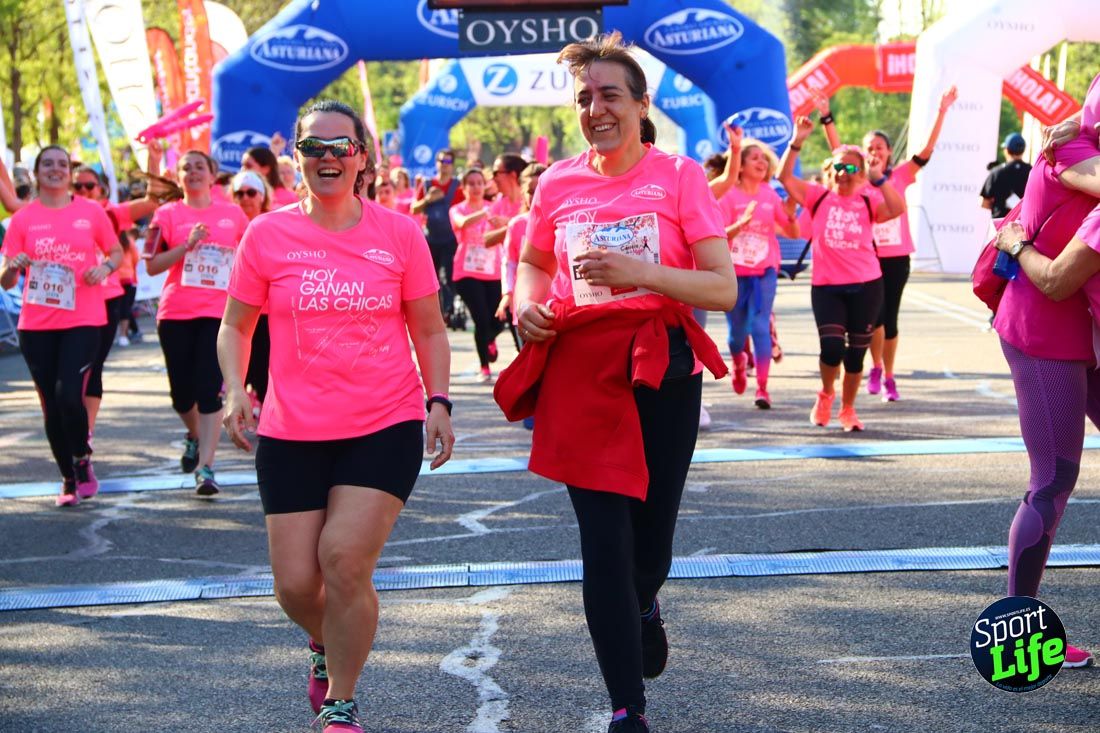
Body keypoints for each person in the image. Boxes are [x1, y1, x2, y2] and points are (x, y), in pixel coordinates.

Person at [500, 34, 735, 733]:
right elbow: (533, 267)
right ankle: (626, 706)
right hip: (580, 370)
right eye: (584, 98)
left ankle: (645, 603)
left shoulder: (680, 176)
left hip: (660, 361)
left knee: (649, 544)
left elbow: (721, 286)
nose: (595, 109)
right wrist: (527, 309)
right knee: (603, 544)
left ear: (639, 105)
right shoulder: (558, 183)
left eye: (609, 95)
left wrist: (644, 275)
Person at [218, 99, 454, 732]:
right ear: (297, 157)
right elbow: (236, 326)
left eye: (340, 147)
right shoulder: (266, 234)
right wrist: (237, 389)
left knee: (344, 561)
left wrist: (438, 401)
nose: (327, 157)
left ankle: (343, 705)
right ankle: (325, 641)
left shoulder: (399, 233)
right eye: (314, 147)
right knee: (296, 585)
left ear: (362, 159)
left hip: (385, 421)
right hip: (293, 429)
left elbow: (429, 330)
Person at [982, 81, 1100, 669]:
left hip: (1088, 326)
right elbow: (1056, 278)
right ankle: (1015, 633)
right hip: (1046, 324)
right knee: (1053, 480)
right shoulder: (1073, 151)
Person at [815, 88, 958, 401]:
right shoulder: (857, 179)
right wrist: (826, 116)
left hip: (896, 258)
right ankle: (875, 366)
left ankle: (888, 374)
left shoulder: (900, 175)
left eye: (879, 147)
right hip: (866, 259)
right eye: (869, 147)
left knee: (889, 318)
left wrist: (942, 110)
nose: (874, 151)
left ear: (889, 152)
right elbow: (838, 150)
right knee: (873, 319)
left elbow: (927, 150)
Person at [0, 145, 121, 506]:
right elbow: (5, 280)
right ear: (37, 174)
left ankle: (82, 457)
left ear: (70, 172)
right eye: (48, 164)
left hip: (84, 318)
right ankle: (68, 478)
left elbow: (114, 251)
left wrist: (105, 269)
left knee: (70, 393)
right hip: (36, 324)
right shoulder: (22, 219)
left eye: (62, 164)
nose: (55, 169)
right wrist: (12, 266)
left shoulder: (91, 212)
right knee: (51, 404)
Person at [777, 117, 905, 431]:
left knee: (855, 357)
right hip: (827, 286)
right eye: (837, 167)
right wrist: (797, 140)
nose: (841, 173)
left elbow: (898, 208)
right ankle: (825, 394)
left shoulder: (867, 198)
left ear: (859, 173)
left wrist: (879, 180)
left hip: (866, 285)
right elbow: (783, 177)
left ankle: (848, 409)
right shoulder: (817, 196)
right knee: (832, 349)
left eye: (849, 168)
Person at [144, 150, 250, 496]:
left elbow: (251, 259)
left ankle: (206, 466)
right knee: (181, 395)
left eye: (199, 167)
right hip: (175, 312)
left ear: (212, 174)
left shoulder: (232, 214)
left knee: (208, 391)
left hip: (219, 314)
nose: (192, 172)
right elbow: (153, 265)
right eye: (186, 168)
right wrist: (186, 246)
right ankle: (192, 434)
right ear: (177, 176)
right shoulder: (167, 214)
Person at [72, 142, 164, 435]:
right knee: (66, 372)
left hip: (106, 299)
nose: (85, 191)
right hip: (68, 302)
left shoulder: (111, 213)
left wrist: (153, 159)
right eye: (79, 186)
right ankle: (68, 424)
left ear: (100, 190)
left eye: (90, 186)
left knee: (93, 366)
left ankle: (85, 432)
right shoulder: (57, 212)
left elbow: (152, 201)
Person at [718, 138, 799, 409]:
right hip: (734, 273)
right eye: (755, 158)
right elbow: (718, 237)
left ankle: (762, 389)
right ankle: (739, 362)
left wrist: (791, 215)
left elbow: (792, 233)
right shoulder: (728, 195)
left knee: (760, 326)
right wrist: (741, 224)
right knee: (737, 335)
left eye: (765, 159)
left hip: (765, 270)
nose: (762, 163)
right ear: (739, 165)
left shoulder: (769, 194)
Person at [450, 168, 505, 382]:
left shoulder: (495, 208)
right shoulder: (458, 209)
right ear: (463, 188)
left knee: (498, 320)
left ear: (484, 186)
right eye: (470, 183)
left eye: (479, 183)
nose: (475, 187)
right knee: (481, 320)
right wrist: (485, 214)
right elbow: (461, 224)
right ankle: (484, 367)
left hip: (493, 271)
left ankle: (488, 339)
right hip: (466, 273)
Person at [231, 171, 273, 412]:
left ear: (262, 196)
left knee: (262, 367)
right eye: (239, 193)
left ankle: (267, 412)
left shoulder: (272, 224)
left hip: (267, 310)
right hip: (234, 308)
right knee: (240, 366)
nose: (245, 198)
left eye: (250, 192)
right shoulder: (224, 225)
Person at [411, 149, 463, 323]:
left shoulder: (457, 185)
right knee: (430, 277)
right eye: (441, 161)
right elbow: (414, 209)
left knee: (447, 276)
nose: (444, 165)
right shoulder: (427, 184)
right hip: (430, 238)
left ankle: (448, 311)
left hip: (450, 238)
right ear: (436, 163)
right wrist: (428, 199)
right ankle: (435, 312)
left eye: (448, 162)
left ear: (453, 164)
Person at [981, 132, 1032, 219]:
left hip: (1001, 224)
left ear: (1007, 150)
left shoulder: (996, 172)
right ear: (1023, 150)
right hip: (1024, 225)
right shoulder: (1032, 171)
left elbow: (984, 203)